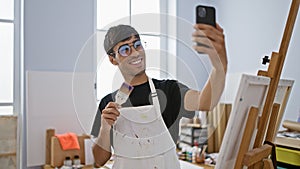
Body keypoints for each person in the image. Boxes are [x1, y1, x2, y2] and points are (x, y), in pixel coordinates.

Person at [91, 23, 227, 168]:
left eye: (137, 45)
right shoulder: (109, 104)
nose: (136, 53)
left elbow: (205, 102)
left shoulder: (169, 90)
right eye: (125, 49)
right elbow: (99, 161)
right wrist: (104, 129)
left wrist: (220, 66)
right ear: (113, 59)